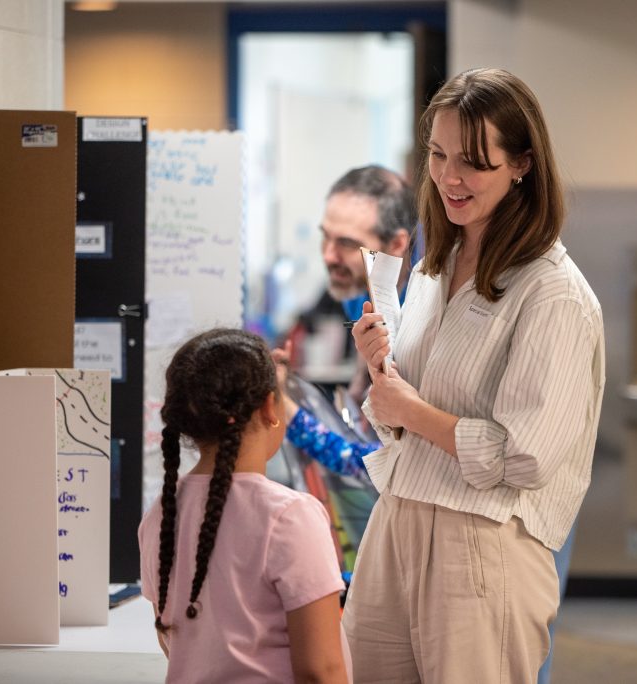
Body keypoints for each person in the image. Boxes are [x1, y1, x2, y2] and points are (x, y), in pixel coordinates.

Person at [346, 67, 605, 683]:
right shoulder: (438, 265)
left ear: (521, 164)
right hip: (396, 520)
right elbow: (403, 413)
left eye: (473, 162)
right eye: (437, 154)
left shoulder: (554, 295)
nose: (449, 177)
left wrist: (411, 410)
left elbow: (526, 457)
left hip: (482, 542)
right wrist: (382, 372)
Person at [138, 328, 351, 684]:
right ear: (270, 407)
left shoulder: (161, 513)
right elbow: (320, 670)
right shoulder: (290, 516)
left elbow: (174, 641)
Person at [287, 165, 418, 404]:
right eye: (326, 236)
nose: (328, 256)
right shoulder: (355, 284)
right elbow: (365, 367)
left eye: (346, 243)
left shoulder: (430, 296)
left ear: (397, 244)